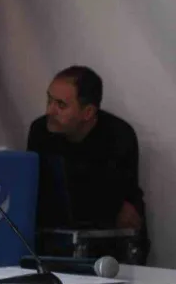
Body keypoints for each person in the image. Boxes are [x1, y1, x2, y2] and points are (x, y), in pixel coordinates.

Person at [27, 65, 149, 263]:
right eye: (49, 100)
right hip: (53, 240)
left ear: (88, 112)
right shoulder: (41, 130)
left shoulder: (118, 135)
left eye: (61, 105)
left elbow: (112, 203)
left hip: (107, 249)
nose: (49, 111)